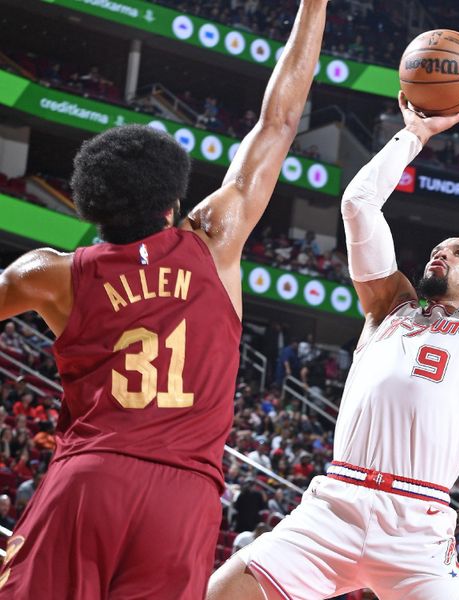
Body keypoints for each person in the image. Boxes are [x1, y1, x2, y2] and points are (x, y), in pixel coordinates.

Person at [0, 1, 329, 597]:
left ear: (88, 204)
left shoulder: (48, 275)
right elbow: (279, 121)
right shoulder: (216, 242)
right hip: (183, 498)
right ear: (173, 201)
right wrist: (315, 5)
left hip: (88, 480)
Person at [208, 50, 459, 600]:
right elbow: (359, 204)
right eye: (436, 248)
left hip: (416, 529)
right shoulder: (388, 307)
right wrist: (412, 135)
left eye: (457, 251)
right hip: (334, 508)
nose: (441, 254)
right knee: (220, 593)